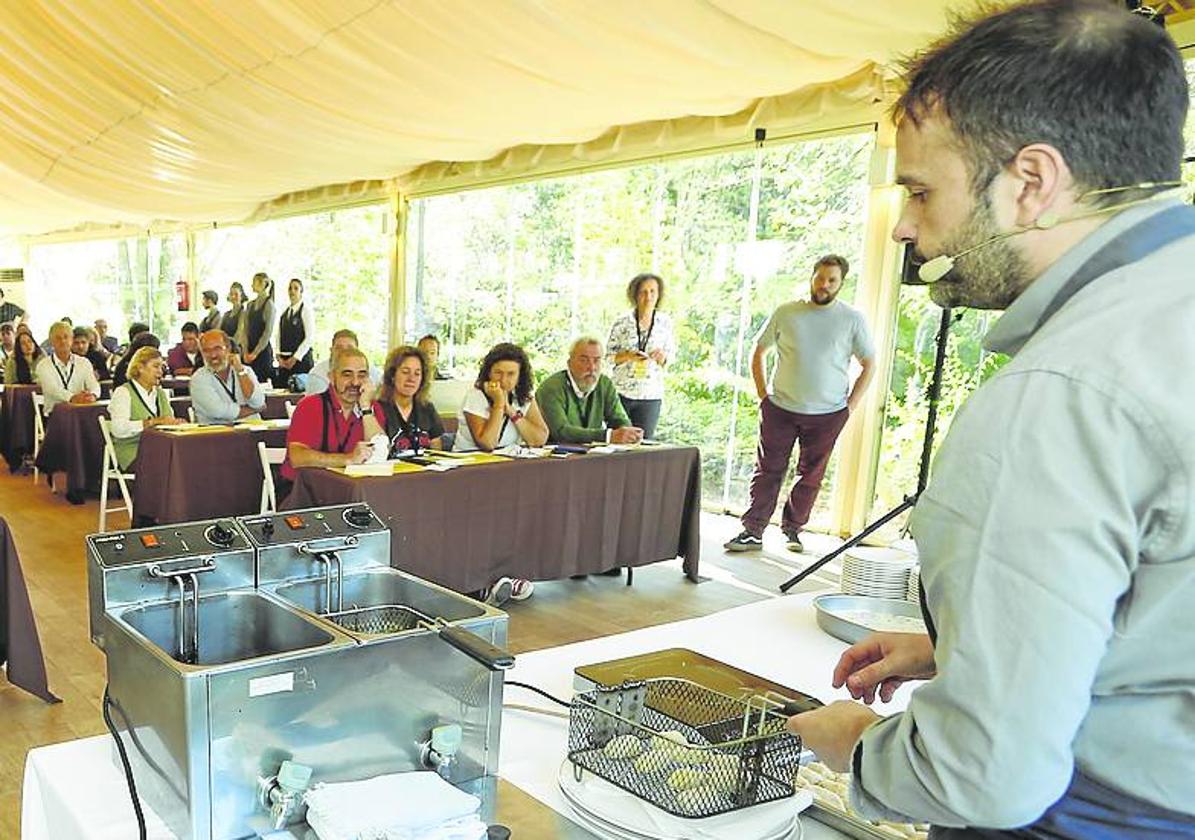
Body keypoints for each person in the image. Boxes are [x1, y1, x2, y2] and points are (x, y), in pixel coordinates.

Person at [786, 3, 1195, 838]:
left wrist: (860, 746)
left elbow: (987, 774)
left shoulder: (1061, 392)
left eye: (919, 188)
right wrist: (965, 646)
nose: (904, 225)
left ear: (1030, 184)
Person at [724, 255, 875, 554]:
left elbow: (869, 362)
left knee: (811, 475)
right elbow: (759, 351)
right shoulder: (787, 312)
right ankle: (753, 530)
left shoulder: (852, 319)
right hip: (780, 408)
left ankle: (793, 530)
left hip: (828, 413)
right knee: (768, 469)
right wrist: (762, 395)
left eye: (832, 280)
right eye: (820, 278)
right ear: (812, 277)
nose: (824, 285)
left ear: (841, 284)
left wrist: (851, 406)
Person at [283, 345, 384, 483]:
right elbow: (297, 457)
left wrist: (366, 408)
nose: (355, 382)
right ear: (331, 377)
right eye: (347, 374)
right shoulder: (310, 406)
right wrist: (348, 459)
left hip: (354, 490)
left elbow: (379, 453)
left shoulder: (372, 408)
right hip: (306, 491)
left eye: (362, 375)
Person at [606, 272, 676, 439]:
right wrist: (628, 356)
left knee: (643, 445)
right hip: (621, 393)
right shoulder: (622, 322)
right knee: (619, 443)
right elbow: (608, 356)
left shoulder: (665, 323)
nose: (648, 296)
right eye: (643, 292)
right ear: (635, 295)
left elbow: (671, 356)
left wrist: (662, 357)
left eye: (653, 292)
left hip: (650, 394)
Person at [536, 337, 643, 444]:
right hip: (556, 457)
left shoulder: (604, 384)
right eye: (584, 360)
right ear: (569, 363)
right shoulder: (552, 388)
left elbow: (619, 419)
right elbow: (561, 432)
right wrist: (607, 436)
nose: (592, 367)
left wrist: (628, 433)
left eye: (597, 360)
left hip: (592, 455)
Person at [453, 342, 549, 453]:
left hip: (507, 461)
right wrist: (498, 404)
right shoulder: (475, 396)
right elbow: (488, 443)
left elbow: (539, 440)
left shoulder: (523, 397)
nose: (503, 380)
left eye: (511, 374)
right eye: (498, 373)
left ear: (520, 376)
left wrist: (510, 410)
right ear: (489, 373)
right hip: (472, 463)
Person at [108, 346, 184, 469]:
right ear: (140, 368)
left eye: (162, 367)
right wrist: (151, 422)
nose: (160, 371)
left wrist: (177, 423)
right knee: (174, 464)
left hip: (160, 449)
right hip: (133, 452)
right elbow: (118, 430)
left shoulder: (161, 393)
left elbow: (169, 423)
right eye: (156, 366)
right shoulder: (123, 392)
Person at [190, 329, 266, 424]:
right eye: (206, 351)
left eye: (217, 348)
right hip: (216, 435)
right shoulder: (199, 378)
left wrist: (240, 372)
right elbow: (218, 411)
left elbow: (258, 402)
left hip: (252, 431)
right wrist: (253, 410)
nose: (213, 355)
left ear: (228, 348)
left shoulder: (246, 371)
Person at [377, 345, 444, 452]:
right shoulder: (378, 409)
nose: (411, 379)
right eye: (405, 372)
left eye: (417, 373)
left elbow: (437, 450)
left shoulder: (427, 408)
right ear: (392, 375)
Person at [35, 320, 100, 413]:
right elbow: (52, 389)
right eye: (58, 338)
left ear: (71, 339)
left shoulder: (84, 362)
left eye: (66, 337)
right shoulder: (43, 365)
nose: (63, 341)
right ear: (51, 341)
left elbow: (94, 384)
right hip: (55, 415)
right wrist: (72, 398)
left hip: (81, 411)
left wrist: (92, 395)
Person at [305, 329, 382, 395]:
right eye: (339, 348)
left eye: (350, 348)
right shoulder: (318, 376)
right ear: (331, 351)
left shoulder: (374, 374)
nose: (344, 352)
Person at [273, 277, 316, 388]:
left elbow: (309, 337)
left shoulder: (305, 311)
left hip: (301, 362)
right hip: (284, 361)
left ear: (301, 292)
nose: (292, 291)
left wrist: (295, 358)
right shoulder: (284, 314)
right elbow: (278, 336)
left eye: (296, 288)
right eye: (290, 288)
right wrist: (278, 356)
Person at [243, 271, 276, 385]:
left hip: (262, 353)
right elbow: (245, 330)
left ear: (263, 284)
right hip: (249, 352)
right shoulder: (250, 305)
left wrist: (255, 353)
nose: (252, 285)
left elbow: (267, 332)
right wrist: (245, 351)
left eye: (255, 282)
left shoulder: (269, 304)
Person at [220, 282, 246, 347]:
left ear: (241, 295)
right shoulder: (226, 314)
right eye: (231, 294)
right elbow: (220, 332)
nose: (233, 296)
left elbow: (239, 334)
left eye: (236, 294)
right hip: (225, 348)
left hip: (237, 349)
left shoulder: (244, 313)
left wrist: (230, 347)